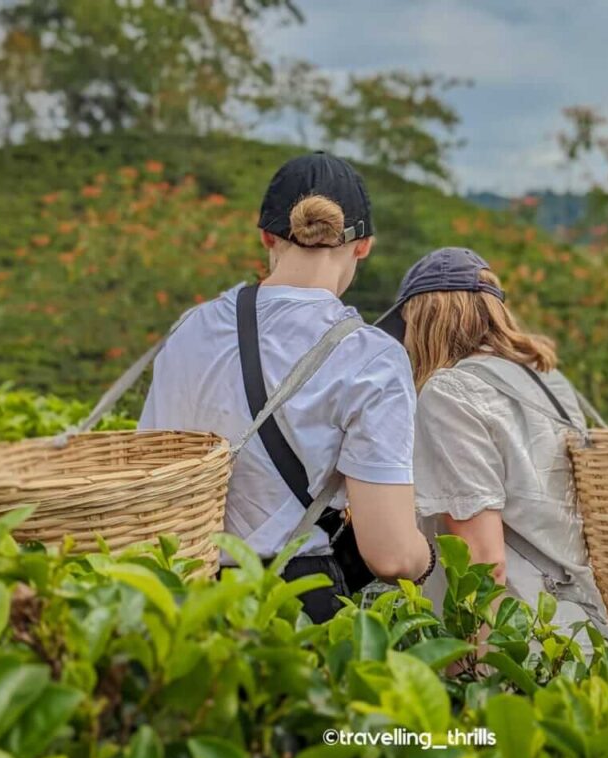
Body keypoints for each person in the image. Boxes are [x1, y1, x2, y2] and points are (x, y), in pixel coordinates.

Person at [139, 151, 434, 621]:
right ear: (363, 246)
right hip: (291, 607)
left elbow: (148, 465)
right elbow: (392, 555)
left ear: (267, 237)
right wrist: (430, 560)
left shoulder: (189, 329)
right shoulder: (369, 357)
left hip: (175, 597)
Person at [376, 247, 608, 648]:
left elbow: (482, 559)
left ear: (423, 318)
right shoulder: (546, 379)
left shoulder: (448, 393)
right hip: (580, 630)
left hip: (516, 643)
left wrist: (465, 663)